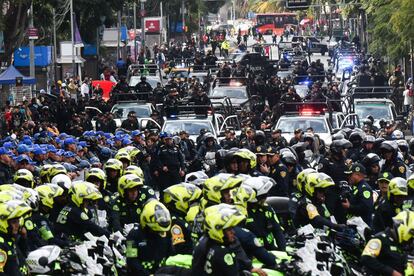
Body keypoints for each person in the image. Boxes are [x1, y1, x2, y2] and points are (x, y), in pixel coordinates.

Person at [191, 204, 263, 276]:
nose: (233, 232)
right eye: (229, 229)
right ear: (218, 230)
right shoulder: (223, 253)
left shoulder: (202, 242)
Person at [126, 199, 173, 275]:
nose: (159, 233)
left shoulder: (166, 233)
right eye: (156, 230)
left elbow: (170, 256)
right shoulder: (133, 234)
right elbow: (131, 260)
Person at [361, 210, 414, 276]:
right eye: (411, 233)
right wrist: (392, 272)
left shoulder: (400, 245)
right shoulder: (379, 239)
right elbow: (366, 258)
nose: (411, 238)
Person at [163, 183, 201, 255]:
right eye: (190, 202)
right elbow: (180, 248)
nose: (191, 205)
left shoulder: (177, 217)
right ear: (181, 202)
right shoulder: (175, 222)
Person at [0, 200, 32, 276]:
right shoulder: (1, 244)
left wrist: (24, 237)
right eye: (14, 222)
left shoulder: (10, 239)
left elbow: (24, 254)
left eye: (18, 221)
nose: (18, 225)